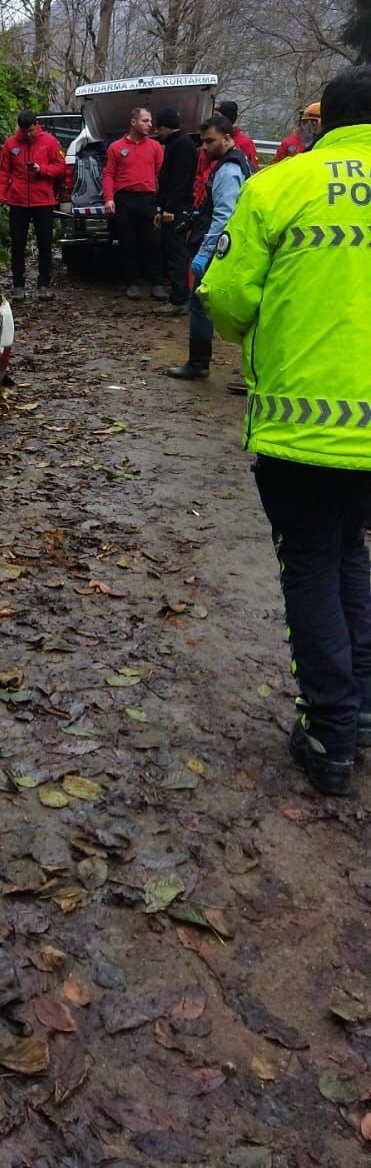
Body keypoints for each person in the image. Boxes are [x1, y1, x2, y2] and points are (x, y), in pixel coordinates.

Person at [200, 67, 371, 796]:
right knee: (349, 554)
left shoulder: (280, 186)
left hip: (300, 429)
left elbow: (228, 299)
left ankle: (328, 733)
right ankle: (357, 714)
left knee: (308, 562)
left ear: (320, 121)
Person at [166, 113, 253, 381]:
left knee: (201, 303)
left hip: (222, 249)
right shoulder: (236, 163)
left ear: (227, 139)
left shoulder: (228, 169)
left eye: (209, 141)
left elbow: (224, 216)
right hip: (231, 246)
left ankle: (198, 363)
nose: (204, 147)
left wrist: (205, 253)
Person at [0, 110, 66, 300]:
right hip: (17, 202)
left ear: (36, 124)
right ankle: (18, 285)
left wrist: (41, 170)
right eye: (24, 131)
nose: (28, 134)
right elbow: (3, 173)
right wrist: (0, 198)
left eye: (31, 130)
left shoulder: (49, 142)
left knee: (44, 243)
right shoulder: (11, 144)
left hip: (43, 201)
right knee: (18, 245)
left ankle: (44, 284)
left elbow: (61, 167)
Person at [102, 107, 164, 300]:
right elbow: (109, 174)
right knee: (128, 242)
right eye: (145, 121)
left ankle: (157, 283)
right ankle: (132, 283)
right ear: (133, 122)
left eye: (150, 121)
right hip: (125, 199)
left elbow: (162, 174)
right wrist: (109, 198)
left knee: (153, 242)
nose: (150, 125)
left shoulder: (155, 147)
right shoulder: (116, 147)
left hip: (148, 199)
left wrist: (163, 202)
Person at [154, 106, 197, 313]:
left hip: (178, 209)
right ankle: (178, 296)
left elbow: (180, 179)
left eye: (158, 128)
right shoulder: (176, 144)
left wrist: (170, 207)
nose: (156, 133)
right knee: (172, 252)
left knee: (177, 253)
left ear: (166, 127)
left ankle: (180, 300)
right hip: (171, 206)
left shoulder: (182, 145)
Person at [193, 99, 258, 207]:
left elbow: (250, 173)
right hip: (203, 201)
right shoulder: (208, 140)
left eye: (216, 115)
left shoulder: (244, 143)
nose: (205, 146)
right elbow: (200, 172)